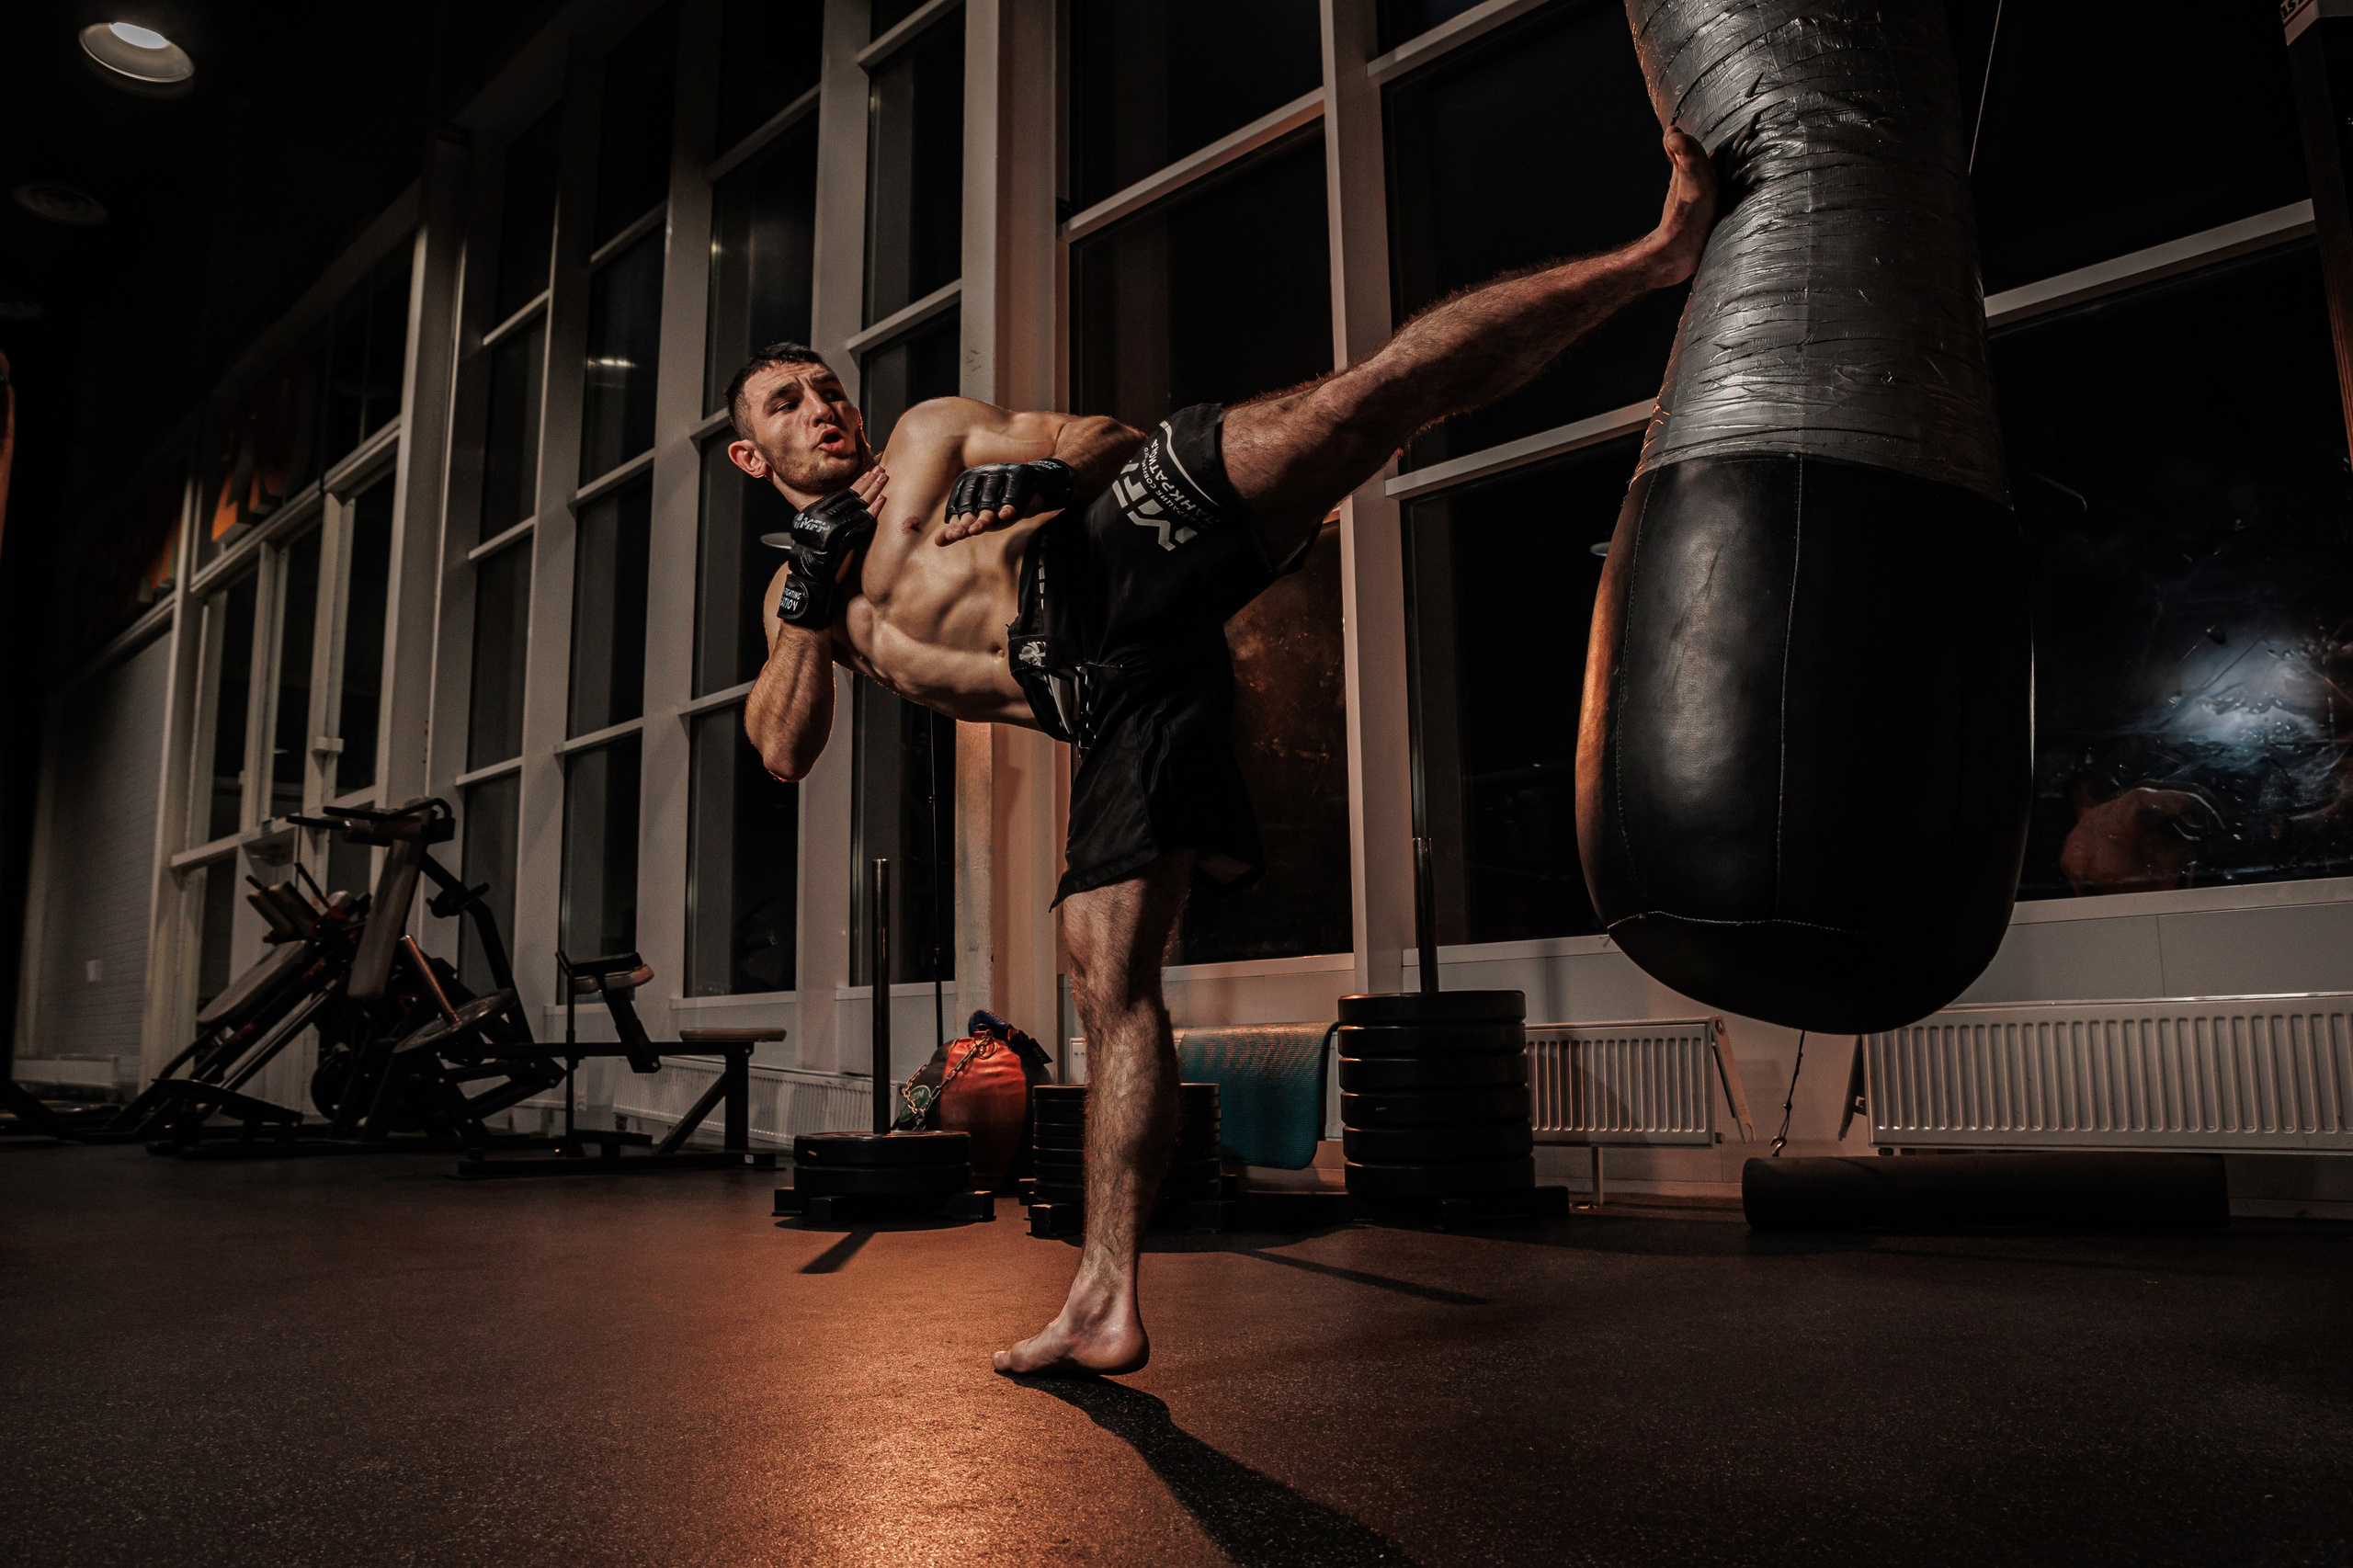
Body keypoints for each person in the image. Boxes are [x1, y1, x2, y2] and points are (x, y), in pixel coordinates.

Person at [735, 129, 1717, 1376]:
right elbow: (782, 751)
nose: (823, 409)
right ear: (749, 454)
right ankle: (1103, 1297)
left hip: (1105, 553)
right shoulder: (797, 609)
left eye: (829, 389)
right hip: (1113, 693)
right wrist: (815, 605)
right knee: (1103, 969)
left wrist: (1037, 466)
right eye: (790, 403)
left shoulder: (926, 437)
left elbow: (1102, 432)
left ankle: (1653, 254)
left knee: (1363, 402)